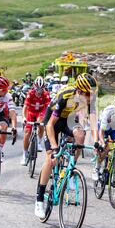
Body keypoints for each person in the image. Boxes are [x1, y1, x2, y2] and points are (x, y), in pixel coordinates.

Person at [34, 73, 99, 218]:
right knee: (51, 159)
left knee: (80, 135)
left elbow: (93, 122)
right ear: (81, 92)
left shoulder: (90, 98)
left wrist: (96, 142)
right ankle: (39, 199)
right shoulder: (65, 95)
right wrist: (54, 146)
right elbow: (50, 125)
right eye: (90, 94)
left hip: (68, 120)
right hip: (53, 122)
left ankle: (69, 170)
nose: (91, 97)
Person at [20, 76, 51, 165]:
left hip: (40, 112)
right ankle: (24, 154)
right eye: (37, 89)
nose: (39, 92)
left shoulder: (46, 94)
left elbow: (48, 108)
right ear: (34, 87)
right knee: (27, 133)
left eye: (41, 90)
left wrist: (46, 119)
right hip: (31, 112)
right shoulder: (30, 93)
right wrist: (24, 118)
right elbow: (25, 107)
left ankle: (38, 142)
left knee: (41, 124)